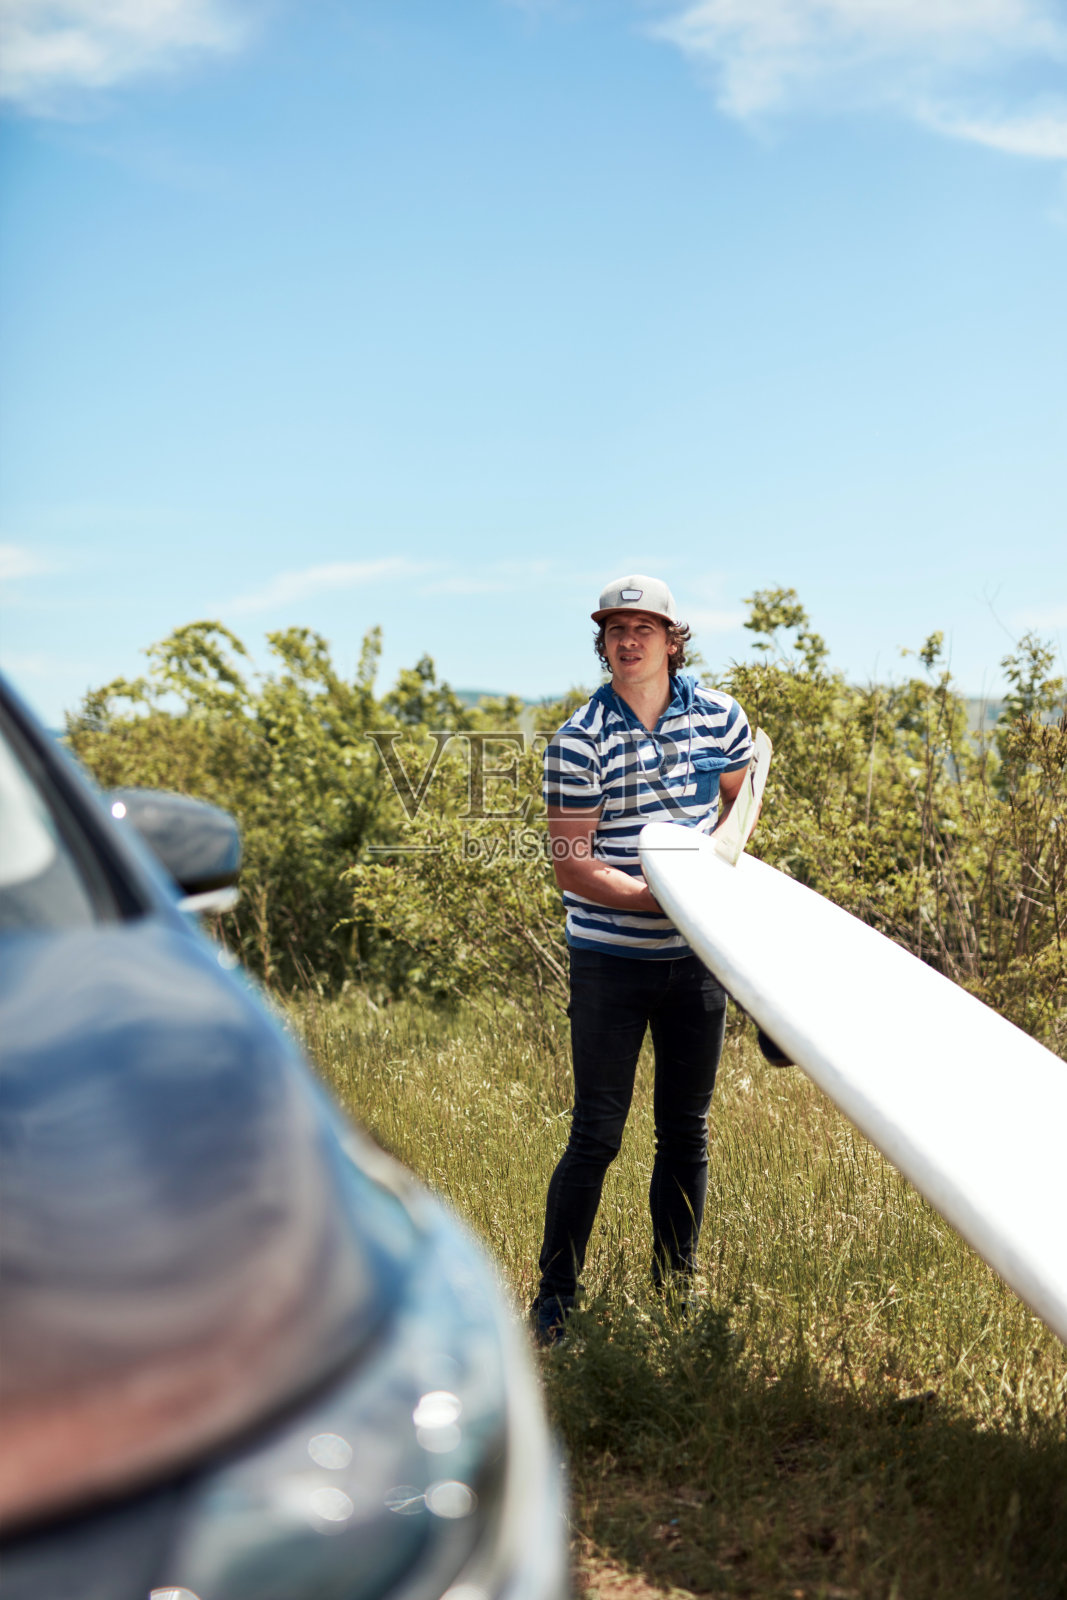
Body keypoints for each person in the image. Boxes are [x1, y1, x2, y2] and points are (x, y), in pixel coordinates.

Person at [531, 574, 754, 1345]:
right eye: (614, 630)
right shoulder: (580, 738)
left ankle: (674, 1295)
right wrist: (664, 899)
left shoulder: (721, 717)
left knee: (685, 1132)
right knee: (596, 1134)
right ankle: (554, 1303)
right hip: (610, 964)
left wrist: (711, 871)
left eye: (642, 628)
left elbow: (739, 801)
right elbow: (572, 866)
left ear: (670, 638)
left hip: (695, 964)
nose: (627, 640)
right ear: (603, 643)